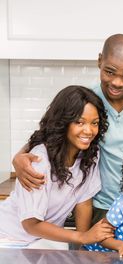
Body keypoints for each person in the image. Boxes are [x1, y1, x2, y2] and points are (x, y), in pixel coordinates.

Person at [12, 34, 123, 226]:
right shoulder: (88, 100)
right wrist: (18, 157)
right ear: (99, 61)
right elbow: (53, 132)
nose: (117, 82)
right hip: (97, 208)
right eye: (110, 72)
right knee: (86, 254)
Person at [0, 86, 114, 248]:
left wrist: (82, 251)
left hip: (41, 241)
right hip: (9, 238)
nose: (89, 130)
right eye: (79, 122)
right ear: (63, 122)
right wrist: (82, 237)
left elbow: (84, 202)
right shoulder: (39, 160)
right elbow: (30, 224)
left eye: (94, 123)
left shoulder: (91, 154)